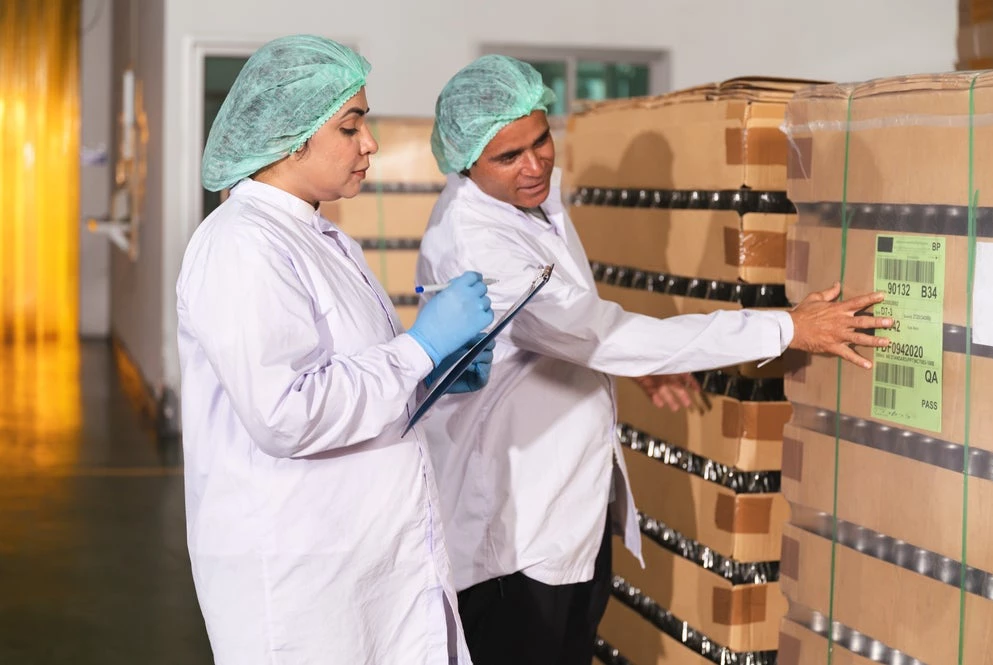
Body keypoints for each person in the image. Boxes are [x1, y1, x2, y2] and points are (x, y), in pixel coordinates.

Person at [415, 55, 894, 665]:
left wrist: (625, 359)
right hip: (514, 531)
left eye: (541, 142)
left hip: (564, 505)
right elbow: (593, 332)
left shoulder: (525, 204)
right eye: (508, 157)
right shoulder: (477, 239)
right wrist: (786, 327)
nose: (534, 166)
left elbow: (567, 327)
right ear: (465, 161)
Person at [176, 35, 495, 665]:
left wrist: (433, 374)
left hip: (361, 563)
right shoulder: (241, 245)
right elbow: (286, 413)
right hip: (301, 575)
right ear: (291, 137)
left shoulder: (321, 235)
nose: (370, 143)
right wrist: (420, 350)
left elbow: (349, 373)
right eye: (351, 126)